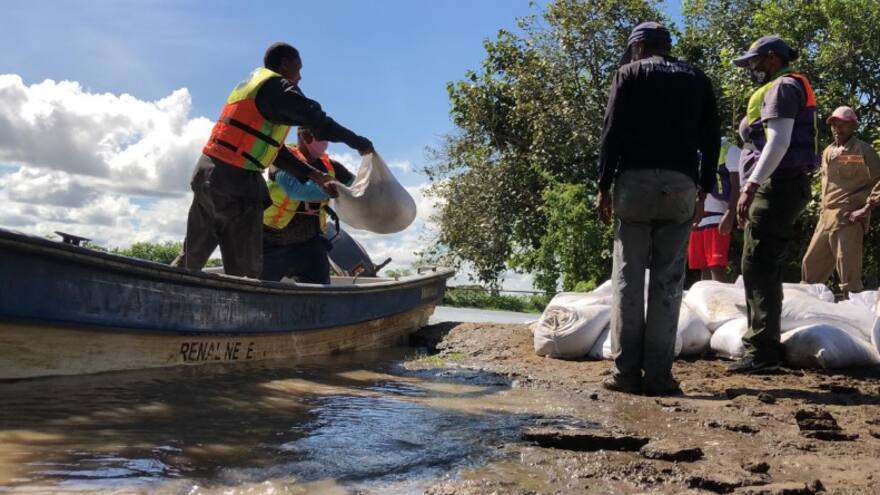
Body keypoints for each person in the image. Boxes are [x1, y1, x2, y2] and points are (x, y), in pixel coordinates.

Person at [172, 42, 373, 278]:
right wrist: (358, 143)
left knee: (193, 254)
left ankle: (162, 292)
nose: (299, 77)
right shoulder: (277, 87)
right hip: (235, 183)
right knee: (245, 271)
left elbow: (272, 150)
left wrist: (315, 175)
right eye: (298, 69)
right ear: (285, 64)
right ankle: (244, 309)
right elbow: (317, 121)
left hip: (208, 173)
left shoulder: (253, 87)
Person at [597, 22, 720, 396]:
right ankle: (660, 376)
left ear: (637, 48)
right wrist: (704, 190)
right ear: (666, 48)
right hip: (680, 184)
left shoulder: (628, 74)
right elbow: (711, 137)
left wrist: (603, 186)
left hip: (634, 183)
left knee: (628, 278)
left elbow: (611, 131)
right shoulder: (697, 78)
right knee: (669, 280)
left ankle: (626, 374)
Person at [729, 36, 819, 374]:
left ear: (770, 59)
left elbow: (778, 142)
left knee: (759, 262)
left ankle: (763, 350)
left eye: (753, 61)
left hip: (776, 185)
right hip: (782, 184)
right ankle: (765, 344)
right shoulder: (788, 86)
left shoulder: (781, 88)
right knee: (762, 261)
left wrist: (751, 185)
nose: (750, 68)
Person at [801, 106, 880, 296]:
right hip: (826, 217)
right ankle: (806, 314)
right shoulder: (828, 151)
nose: (837, 128)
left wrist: (866, 208)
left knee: (849, 275)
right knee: (809, 268)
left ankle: (857, 320)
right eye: (834, 124)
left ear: (853, 125)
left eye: (842, 124)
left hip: (848, 217)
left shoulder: (863, 149)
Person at [261, 127, 355, 283]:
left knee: (320, 293)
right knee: (258, 292)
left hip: (309, 243)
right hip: (271, 241)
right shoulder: (282, 157)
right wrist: (337, 190)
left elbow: (357, 186)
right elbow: (295, 190)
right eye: (321, 137)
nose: (325, 143)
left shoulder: (333, 167)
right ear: (303, 135)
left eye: (327, 139)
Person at [688, 138, 741, 281]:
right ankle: (707, 301)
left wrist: (731, 212)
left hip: (718, 216)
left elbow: (737, 186)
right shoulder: (696, 152)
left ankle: (721, 301)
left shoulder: (730, 150)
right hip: (699, 216)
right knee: (703, 266)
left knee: (716, 266)